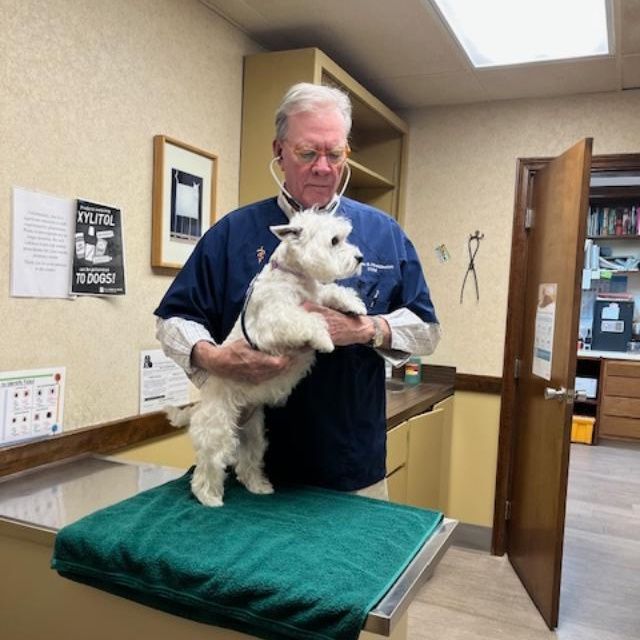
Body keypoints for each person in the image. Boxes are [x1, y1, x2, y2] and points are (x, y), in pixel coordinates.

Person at [155, 82, 440, 499]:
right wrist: (213, 357)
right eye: (308, 153)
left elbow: (427, 331)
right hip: (251, 468)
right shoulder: (232, 234)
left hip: (350, 467)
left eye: (335, 153)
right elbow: (173, 320)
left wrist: (365, 329)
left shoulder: (384, 234)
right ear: (279, 151)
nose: (324, 167)